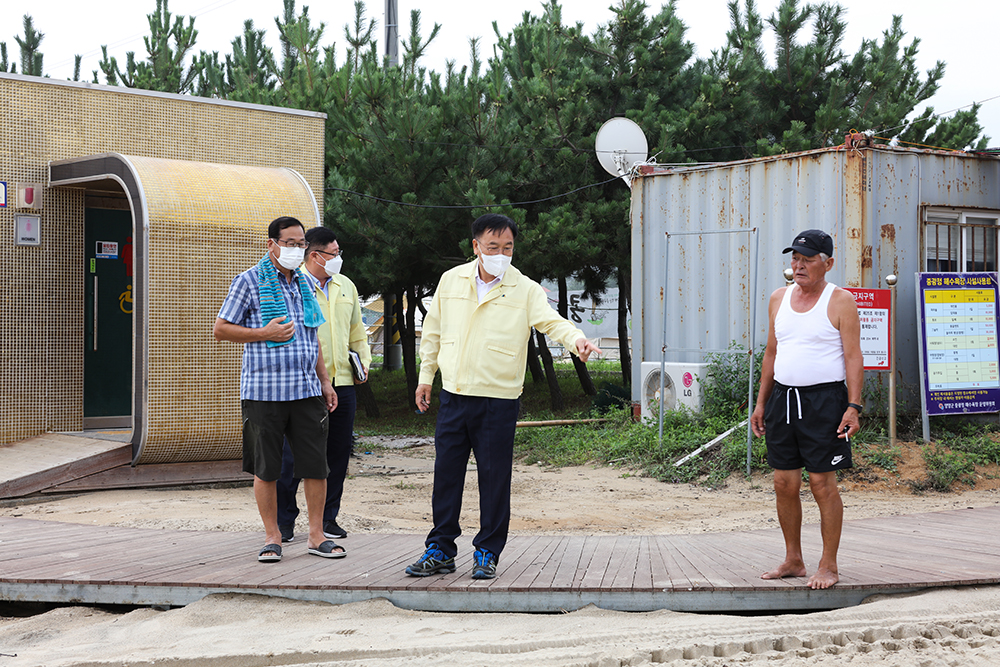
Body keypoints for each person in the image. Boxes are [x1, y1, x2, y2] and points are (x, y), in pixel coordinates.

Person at [405, 213, 601, 580]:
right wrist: (425, 377)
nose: (501, 254)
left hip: (498, 400)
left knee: (494, 478)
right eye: (493, 247)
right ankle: (440, 549)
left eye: (507, 247)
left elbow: (551, 321)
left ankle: (487, 551)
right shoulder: (451, 281)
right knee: (446, 475)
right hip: (454, 395)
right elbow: (432, 333)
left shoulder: (524, 287)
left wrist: (577, 340)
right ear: (475, 246)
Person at [213, 216, 344, 563]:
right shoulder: (249, 281)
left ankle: (317, 536)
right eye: (290, 243)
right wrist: (263, 333)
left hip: (306, 389)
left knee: (316, 465)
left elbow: (311, 334)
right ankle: (273, 537)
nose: (297, 249)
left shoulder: (303, 283)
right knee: (267, 468)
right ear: (271, 244)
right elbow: (221, 329)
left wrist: (325, 381)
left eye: (301, 244)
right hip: (264, 392)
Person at [750, 229, 863, 590]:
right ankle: (793, 559)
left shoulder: (840, 300)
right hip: (783, 400)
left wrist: (853, 407)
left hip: (825, 402)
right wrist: (761, 402)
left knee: (821, 484)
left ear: (827, 263)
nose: (798, 265)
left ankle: (828, 565)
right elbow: (771, 353)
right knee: (784, 482)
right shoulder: (778, 298)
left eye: (807, 259)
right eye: (795, 258)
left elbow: (853, 357)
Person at [276, 226, 371, 544]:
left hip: (343, 383)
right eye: (334, 253)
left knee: (338, 454)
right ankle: (285, 520)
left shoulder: (346, 286)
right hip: (304, 385)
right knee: (293, 457)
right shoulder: (292, 285)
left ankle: (328, 518)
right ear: (315, 255)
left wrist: (363, 363)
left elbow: (358, 332)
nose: (339, 259)